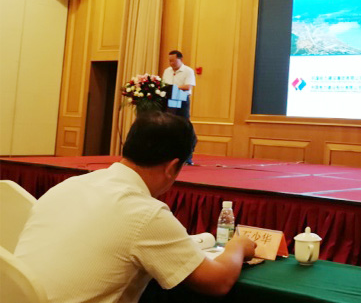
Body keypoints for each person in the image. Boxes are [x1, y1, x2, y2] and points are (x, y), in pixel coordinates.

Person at [14, 112, 256, 303]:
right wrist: (237, 246)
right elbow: (217, 282)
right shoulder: (146, 213)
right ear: (172, 167)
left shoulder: (68, 186)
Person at [162, 50, 196, 119]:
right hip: (168, 98)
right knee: (168, 119)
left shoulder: (188, 71)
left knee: (182, 120)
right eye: (170, 61)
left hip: (182, 99)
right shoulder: (167, 71)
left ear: (181, 59)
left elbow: (188, 87)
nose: (171, 63)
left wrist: (171, 88)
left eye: (173, 61)